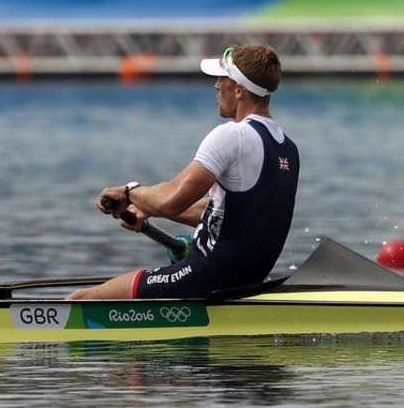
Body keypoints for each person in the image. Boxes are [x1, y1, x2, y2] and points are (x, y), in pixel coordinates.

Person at [70, 45, 299, 300]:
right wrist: (147, 209)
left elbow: (170, 201)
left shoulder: (231, 136)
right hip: (248, 281)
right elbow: (232, 217)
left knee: (84, 298)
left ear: (238, 89)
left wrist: (129, 192)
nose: (215, 86)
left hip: (204, 278)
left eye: (221, 79)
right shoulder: (287, 148)